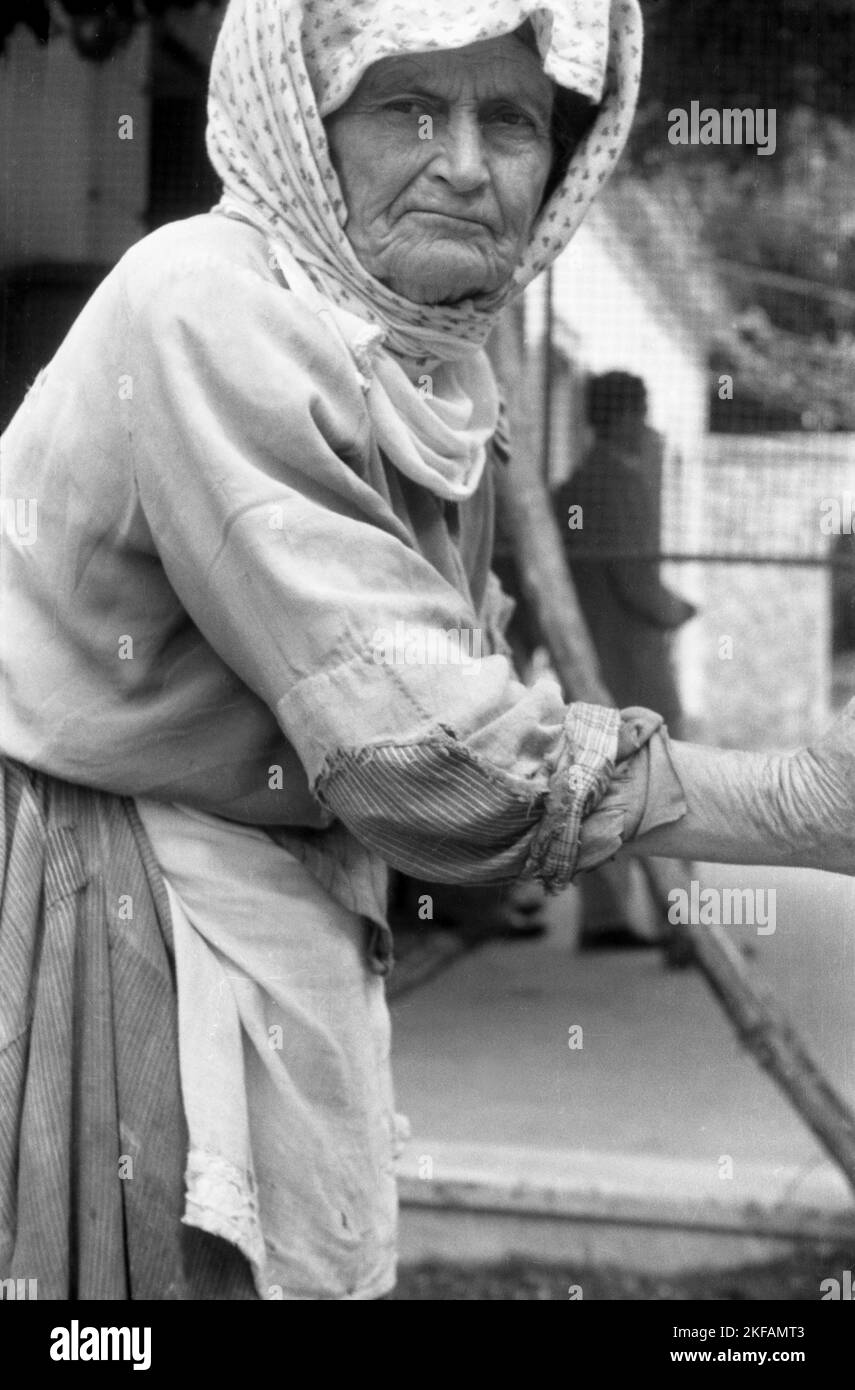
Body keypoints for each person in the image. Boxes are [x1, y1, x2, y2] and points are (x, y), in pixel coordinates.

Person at [1, 0, 854, 1302]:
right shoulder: (209, 308)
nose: (464, 160)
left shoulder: (428, 360)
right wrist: (796, 801)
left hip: (279, 909)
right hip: (116, 920)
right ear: (305, 128)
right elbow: (426, 753)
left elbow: (456, 677)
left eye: (507, 119)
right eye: (410, 107)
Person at [553, 371, 696, 948]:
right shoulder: (620, 483)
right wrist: (677, 610)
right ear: (625, 417)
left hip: (588, 660)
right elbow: (636, 578)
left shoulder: (574, 486)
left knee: (593, 784)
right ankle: (685, 925)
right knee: (671, 783)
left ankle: (605, 915)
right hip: (633, 658)